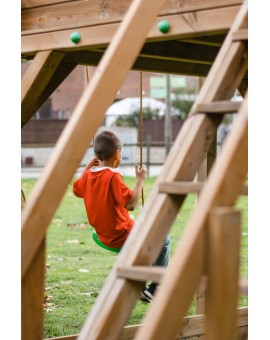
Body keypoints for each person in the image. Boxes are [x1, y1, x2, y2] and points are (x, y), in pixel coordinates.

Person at [73, 130, 170, 302]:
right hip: (120, 235)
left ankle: (139, 276)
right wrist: (140, 179)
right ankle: (156, 287)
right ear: (117, 154)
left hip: (104, 235)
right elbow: (131, 204)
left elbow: (77, 190)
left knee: (142, 227)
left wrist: (88, 167)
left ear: (96, 155)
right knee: (163, 238)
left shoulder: (89, 175)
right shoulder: (113, 176)